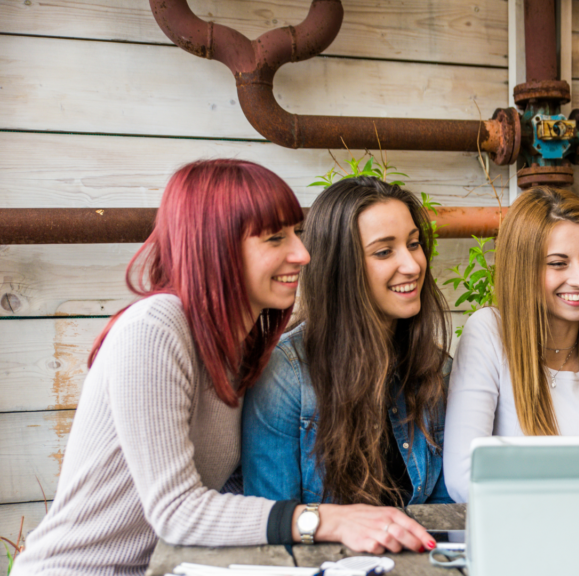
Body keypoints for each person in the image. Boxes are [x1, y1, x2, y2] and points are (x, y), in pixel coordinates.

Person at [12, 159, 407, 576]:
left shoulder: (241, 344)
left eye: (297, 233)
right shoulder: (154, 330)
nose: (303, 254)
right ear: (215, 246)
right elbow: (176, 510)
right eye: (275, 239)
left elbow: (226, 493)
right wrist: (325, 520)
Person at [241, 177, 449, 552]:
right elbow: (271, 530)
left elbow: (447, 514)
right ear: (341, 267)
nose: (412, 264)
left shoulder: (433, 367)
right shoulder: (286, 377)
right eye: (384, 252)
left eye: (414, 244)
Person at [443, 186, 579, 503]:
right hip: (512, 533)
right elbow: (463, 477)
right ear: (523, 269)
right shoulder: (489, 333)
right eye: (558, 263)